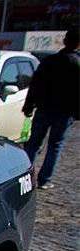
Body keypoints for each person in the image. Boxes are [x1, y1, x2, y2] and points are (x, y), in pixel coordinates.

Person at [22, 27, 79, 189]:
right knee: (55, 145)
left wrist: (29, 104)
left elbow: (35, 84)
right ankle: (44, 179)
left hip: (45, 108)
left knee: (34, 144)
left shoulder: (50, 61)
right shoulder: (76, 63)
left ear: (65, 40)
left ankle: (26, 175)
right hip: (64, 112)